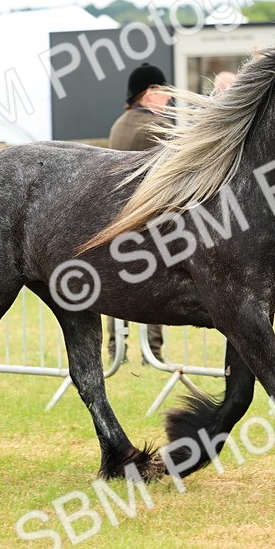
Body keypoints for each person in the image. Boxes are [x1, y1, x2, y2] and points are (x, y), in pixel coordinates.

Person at [106, 63, 169, 363]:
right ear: (149, 93)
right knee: (155, 281)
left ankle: (115, 348)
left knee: (114, 281)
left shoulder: (118, 124)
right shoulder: (158, 126)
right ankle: (152, 351)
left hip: (115, 216)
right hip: (149, 217)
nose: (168, 98)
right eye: (163, 91)